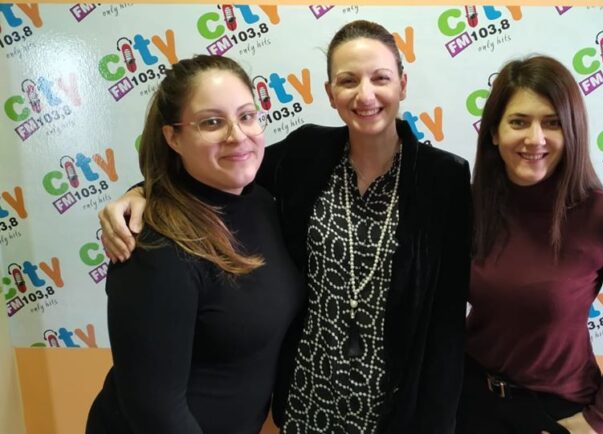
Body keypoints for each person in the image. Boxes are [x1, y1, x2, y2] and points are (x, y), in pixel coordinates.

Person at [98, 20, 471, 434]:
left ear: (402, 83)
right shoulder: (305, 154)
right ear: (330, 92)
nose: (365, 94)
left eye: (380, 78)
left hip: (390, 408)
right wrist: (141, 194)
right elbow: (221, 173)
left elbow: (447, 324)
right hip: (305, 401)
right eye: (348, 80)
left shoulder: (444, 180)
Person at [86, 55, 304, 434]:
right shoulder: (156, 245)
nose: (237, 135)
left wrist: (141, 190)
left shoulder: (261, 201)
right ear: (173, 137)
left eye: (246, 116)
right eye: (212, 122)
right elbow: (155, 412)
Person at [456, 56, 603, 434]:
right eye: (518, 122)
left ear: (572, 131)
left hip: (555, 411)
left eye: (552, 123)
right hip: (471, 400)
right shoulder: (468, 206)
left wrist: (597, 418)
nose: (535, 139)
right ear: (494, 132)